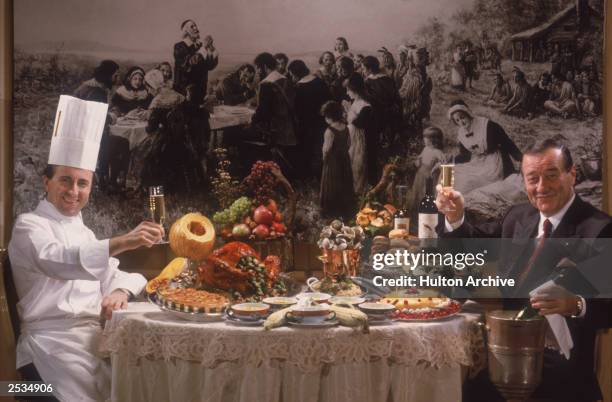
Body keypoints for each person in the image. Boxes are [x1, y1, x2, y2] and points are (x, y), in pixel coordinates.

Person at [8, 95, 164, 402]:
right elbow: (61, 262)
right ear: (46, 182)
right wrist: (123, 241)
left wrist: (120, 292)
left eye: (83, 183)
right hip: (48, 348)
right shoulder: (29, 226)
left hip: (95, 342)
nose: (74, 191)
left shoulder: (83, 230)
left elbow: (119, 275)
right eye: (65, 180)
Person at [436, 139, 612, 402]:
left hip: (562, 379)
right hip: (504, 365)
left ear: (572, 174)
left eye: (551, 176)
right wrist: (456, 217)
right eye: (533, 179)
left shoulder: (598, 229)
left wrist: (575, 303)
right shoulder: (517, 217)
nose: (541, 187)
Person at [448, 100, 522, 194]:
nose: (461, 122)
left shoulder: (486, 125)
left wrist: (521, 158)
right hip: (478, 161)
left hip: (494, 162)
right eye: (457, 120)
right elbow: (465, 155)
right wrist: (450, 162)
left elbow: (506, 142)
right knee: (453, 172)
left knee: (471, 182)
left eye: (462, 118)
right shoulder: (462, 133)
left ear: (468, 114)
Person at [72, 60, 120, 192]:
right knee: (119, 143)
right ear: (107, 75)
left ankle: (104, 179)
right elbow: (99, 119)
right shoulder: (97, 92)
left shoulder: (87, 87)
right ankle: (106, 181)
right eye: (115, 75)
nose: (117, 79)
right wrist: (113, 116)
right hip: (87, 135)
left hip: (78, 131)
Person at [251, 52, 297, 176]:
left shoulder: (266, 83)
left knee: (275, 157)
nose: (258, 71)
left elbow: (263, 112)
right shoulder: (285, 79)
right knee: (284, 156)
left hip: (275, 127)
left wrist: (252, 120)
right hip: (289, 125)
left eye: (258, 68)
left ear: (265, 66)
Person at [288, 59, 331, 180]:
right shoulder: (319, 82)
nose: (292, 77)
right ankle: (320, 176)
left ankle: (308, 177)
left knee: (307, 151)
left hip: (306, 125)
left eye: (292, 74)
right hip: (322, 122)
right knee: (319, 150)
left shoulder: (299, 88)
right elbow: (328, 101)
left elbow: (296, 109)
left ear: (295, 73)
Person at [362, 55, 402, 162]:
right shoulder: (388, 79)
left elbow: (369, 100)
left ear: (369, 69)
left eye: (363, 68)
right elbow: (396, 97)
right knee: (388, 139)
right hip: (390, 113)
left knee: (378, 141)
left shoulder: (368, 82)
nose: (363, 71)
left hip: (377, 114)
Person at [319, 101, 355, 219]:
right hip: (344, 160)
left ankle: (332, 211)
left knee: (332, 185)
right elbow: (349, 144)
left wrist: (324, 159)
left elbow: (326, 149)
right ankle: (345, 210)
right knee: (345, 184)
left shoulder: (329, 131)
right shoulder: (345, 128)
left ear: (329, 117)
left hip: (333, 162)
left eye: (326, 117)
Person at [173, 20, 219, 106]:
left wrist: (211, 49)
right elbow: (188, 64)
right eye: (192, 26)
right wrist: (204, 47)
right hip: (184, 94)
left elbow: (210, 66)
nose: (196, 28)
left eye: (195, 26)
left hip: (200, 92)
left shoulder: (200, 46)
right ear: (185, 31)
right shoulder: (179, 47)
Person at [345, 73, 373, 195]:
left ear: (354, 89)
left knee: (357, 162)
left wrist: (347, 113)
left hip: (358, 137)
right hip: (351, 135)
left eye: (348, 90)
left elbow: (360, 123)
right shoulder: (356, 102)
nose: (347, 93)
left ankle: (357, 191)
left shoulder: (365, 105)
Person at [408, 126, 445, 214]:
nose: (424, 140)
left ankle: (426, 212)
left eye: (426, 138)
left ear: (433, 140)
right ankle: (416, 213)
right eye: (424, 137)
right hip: (420, 174)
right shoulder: (425, 149)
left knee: (426, 192)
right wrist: (418, 160)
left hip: (429, 176)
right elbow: (420, 158)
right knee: (418, 192)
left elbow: (444, 163)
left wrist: (436, 166)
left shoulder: (437, 152)